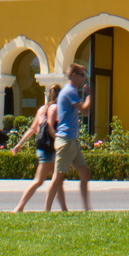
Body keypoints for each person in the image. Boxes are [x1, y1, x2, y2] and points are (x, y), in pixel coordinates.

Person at [45, 63, 93, 211]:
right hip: (66, 141)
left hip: (72, 141)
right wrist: (90, 94)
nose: (82, 79)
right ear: (73, 76)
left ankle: (86, 209)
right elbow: (85, 110)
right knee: (57, 178)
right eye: (81, 75)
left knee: (85, 174)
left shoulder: (68, 91)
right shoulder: (70, 91)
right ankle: (46, 210)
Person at [8, 86, 59, 213]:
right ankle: (20, 207)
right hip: (49, 148)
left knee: (57, 179)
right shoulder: (56, 108)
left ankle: (56, 209)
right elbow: (50, 127)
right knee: (39, 180)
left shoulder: (42, 109)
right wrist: (60, 141)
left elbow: (32, 129)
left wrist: (20, 143)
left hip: (41, 146)